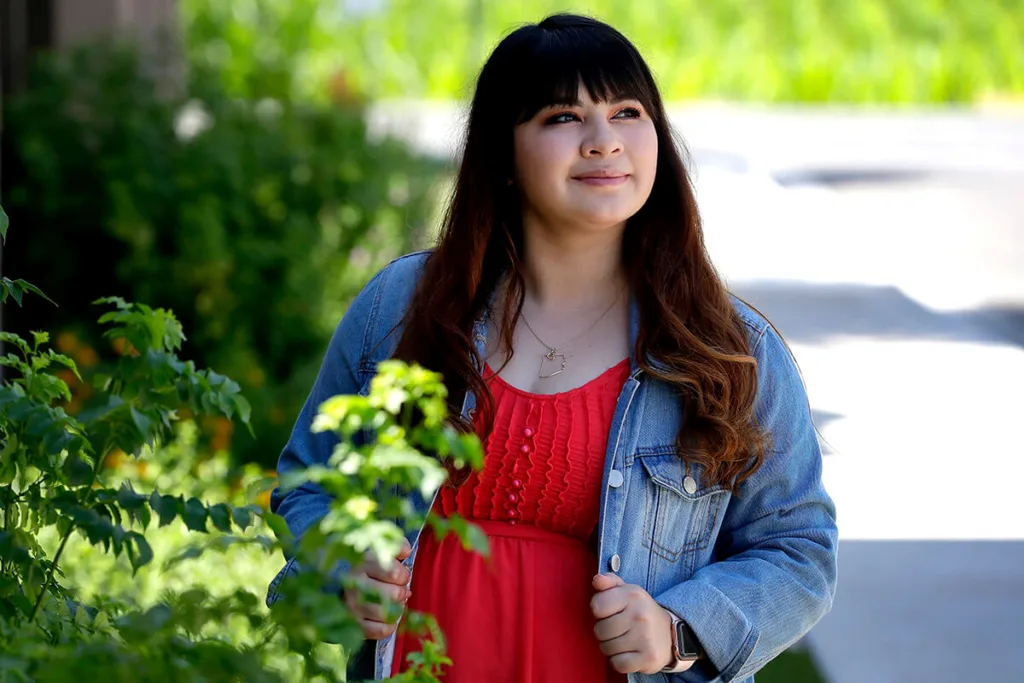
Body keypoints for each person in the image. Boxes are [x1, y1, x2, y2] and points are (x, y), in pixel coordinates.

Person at [267, 13, 838, 683]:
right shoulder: (401, 306)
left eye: (627, 113)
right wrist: (342, 570)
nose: (604, 141)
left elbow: (799, 551)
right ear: (503, 155)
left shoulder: (728, 349)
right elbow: (308, 478)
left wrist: (678, 629)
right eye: (563, 117)